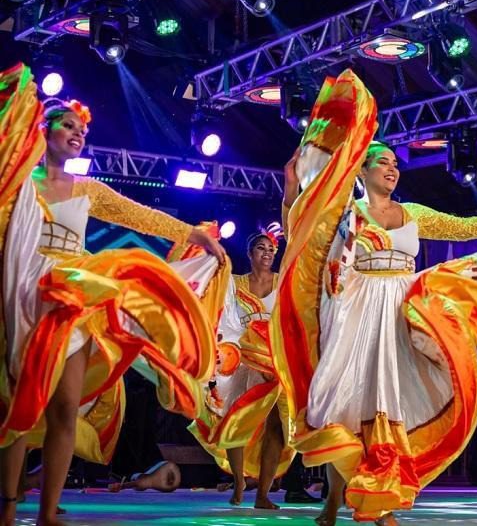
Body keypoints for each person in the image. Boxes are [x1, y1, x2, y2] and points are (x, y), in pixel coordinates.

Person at [267, 70, 477, 525]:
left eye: (396, 164)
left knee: (392, 405)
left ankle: (382, 497)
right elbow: (302, 233)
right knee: (351, 407)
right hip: (358, 312)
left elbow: (462, 225)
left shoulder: (412, 213)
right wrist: (292, 189)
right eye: (383, 163)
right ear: (363, 170)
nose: (392, 169)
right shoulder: (348, 213)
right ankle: (337, 500)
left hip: (403, 311)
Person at [0, 65, 227, 526]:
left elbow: (140, 216)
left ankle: (46, 513)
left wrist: (193, 235)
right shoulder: (17, 187)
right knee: (20, 403)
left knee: (64, 407)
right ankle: (6, 511)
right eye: (68, 125)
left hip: (75, 298)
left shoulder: (90, 190)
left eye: (83, 130)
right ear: (43, 130)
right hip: (24, 296)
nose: (78, 134)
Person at [189, 231, 320, 508]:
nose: (267, 253)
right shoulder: (234, 284)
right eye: (261, 248)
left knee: (275, 425)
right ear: (250, 254)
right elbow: (218, 309)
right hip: (242, 359)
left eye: (271, 249)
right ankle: (238, 481)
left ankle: (263, 493)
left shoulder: (283, 283)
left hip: (273, 361)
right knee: (238, 419)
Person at [108, 461, 181, 493]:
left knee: (142, 481)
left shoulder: (142, 478)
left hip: (167, 469)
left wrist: (122, 486)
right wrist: (122, 486)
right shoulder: (147, 478)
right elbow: (139, 483)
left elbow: (139, 482)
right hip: (168, 467)